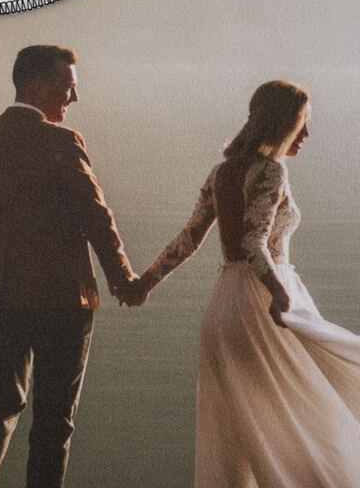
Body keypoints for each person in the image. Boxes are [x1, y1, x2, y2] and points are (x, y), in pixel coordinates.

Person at [125, 80, 360, 486]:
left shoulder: (221, 173)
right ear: (281, 123)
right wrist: (280, 294)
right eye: (301, 123)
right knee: (300, 416)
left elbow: (188, 239)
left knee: (241, 428)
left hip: (224, 307)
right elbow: (254, 243)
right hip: (263, 303)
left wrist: (144, 283)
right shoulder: (271, 170)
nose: (306, 133)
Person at [0, 44, 137, 488]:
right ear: (38, 85)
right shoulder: (62, 141)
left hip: (1, 295)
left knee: (3, 400)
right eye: (68, 86)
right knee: (54, 418)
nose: (74, 98)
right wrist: (123, 280)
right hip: (63, 298)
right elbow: (97, 218)